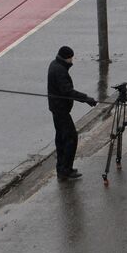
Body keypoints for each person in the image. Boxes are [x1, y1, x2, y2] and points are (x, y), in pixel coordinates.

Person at [48, 45, 97, 181]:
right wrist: (86, 98)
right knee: (71, 138)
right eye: (71, 58)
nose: (72, 61)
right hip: (61, 109)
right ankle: (66, 169)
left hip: (56, 108)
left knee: (61, 139)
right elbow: (68, 91)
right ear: (66, 57)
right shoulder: (60, 71)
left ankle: (61, 168)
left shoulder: (55, 65)